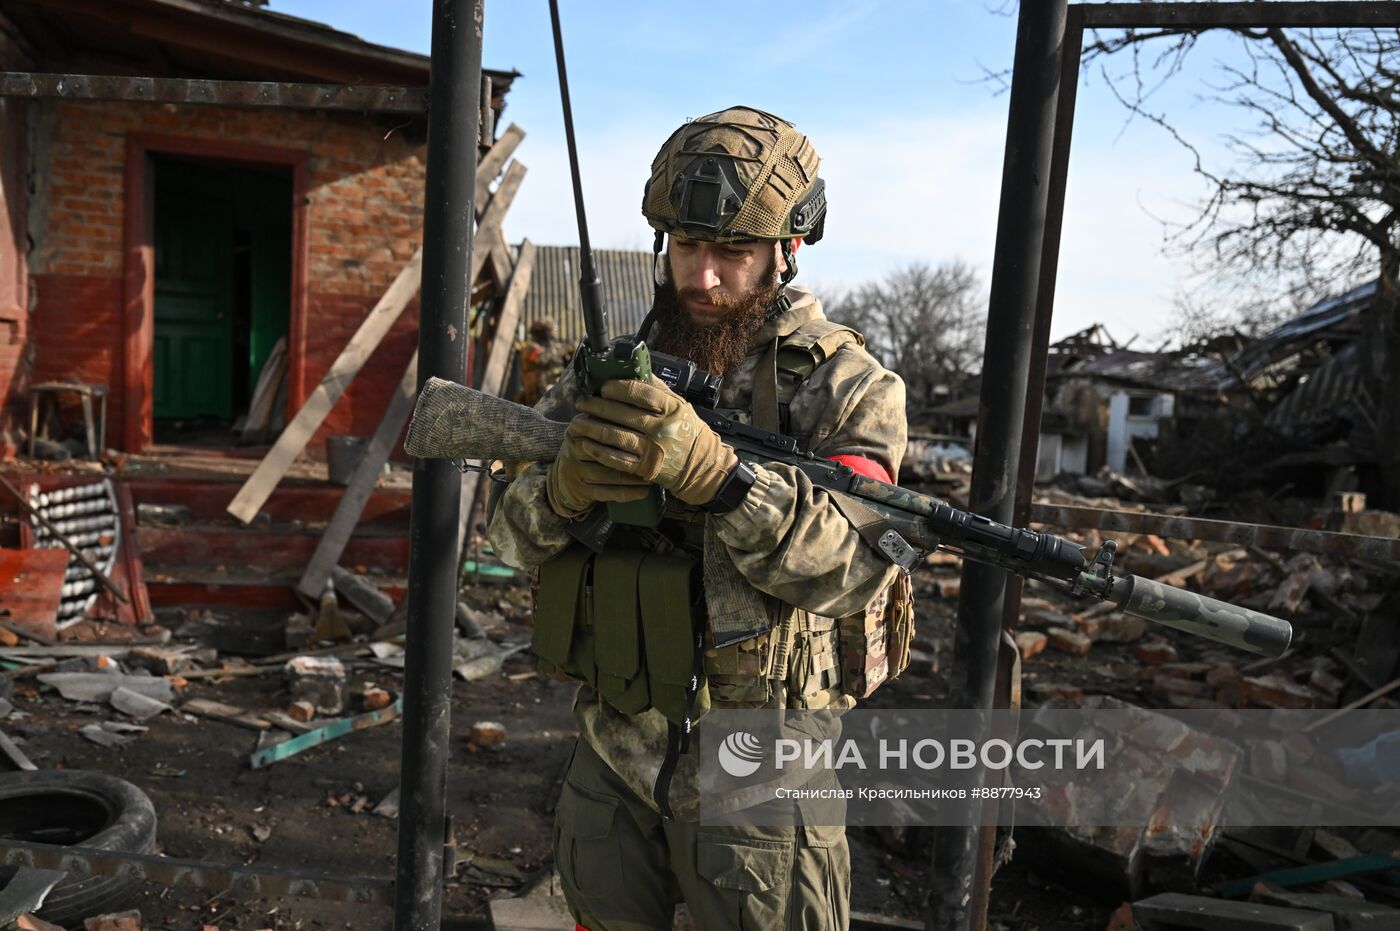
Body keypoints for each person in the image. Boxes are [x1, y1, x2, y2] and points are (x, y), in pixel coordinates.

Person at [488, 106, 909, 930]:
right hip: (614, 753)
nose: (704, 276)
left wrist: (721, 480)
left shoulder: (849, 387)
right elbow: (507, 540)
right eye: (687, 246)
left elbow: (856, 565)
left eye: (732, 252)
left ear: (788, 250)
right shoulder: (611, 375)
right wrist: (564, 486)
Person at [517, 317, 572, 408]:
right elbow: (541, 359)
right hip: (536, 394)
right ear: (542, 333)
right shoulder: (531, 347)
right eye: (550, 331)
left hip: (551, 394)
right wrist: (563, 350)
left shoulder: (552, 348)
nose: (554, 334)